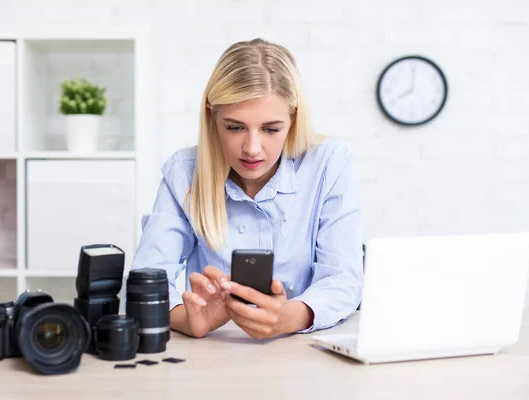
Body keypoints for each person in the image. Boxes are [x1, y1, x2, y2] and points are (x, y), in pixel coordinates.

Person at [131, 38, 363, 340]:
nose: (252, 149)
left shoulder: (329, 162)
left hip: (305, 350)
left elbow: (344, 278)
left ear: (293, 119)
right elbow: (147, 281)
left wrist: (292, 316)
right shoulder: (183, 172)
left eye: (270, 129)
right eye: (235, 127)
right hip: (214, 356)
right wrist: (187, 320)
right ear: (211, 114)